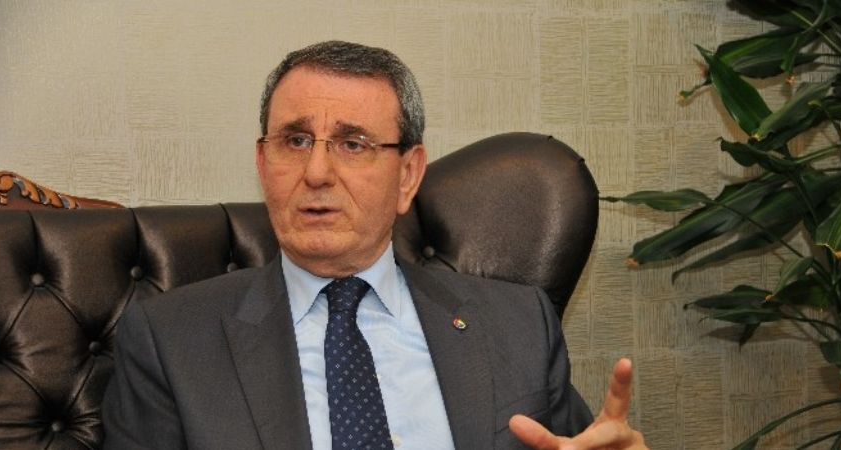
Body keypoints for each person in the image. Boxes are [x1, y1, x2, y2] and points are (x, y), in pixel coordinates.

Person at [102, 40, 647, 450]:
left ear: (408, 176)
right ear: (264, 164)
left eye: (353, 143)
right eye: (295, 140)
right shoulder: (170, 341)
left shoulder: (519, 325)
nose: (317, 172)